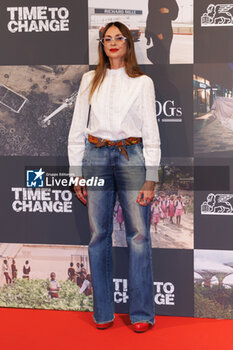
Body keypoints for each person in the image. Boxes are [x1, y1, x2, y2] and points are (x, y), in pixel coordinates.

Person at [68, 21, 161, 332]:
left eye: (118, 38)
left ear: (128, 43)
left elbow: (151, 131)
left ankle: (141, 313)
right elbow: (77, 129)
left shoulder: (142, 82)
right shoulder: (88, 80)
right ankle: (103, 312)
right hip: (94, 158)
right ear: (102, 44)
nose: (113, 43)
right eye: (107, 38)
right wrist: (75, 173)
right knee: (98, 236)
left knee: (139, 235)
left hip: (132, 157)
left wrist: (151, 176)